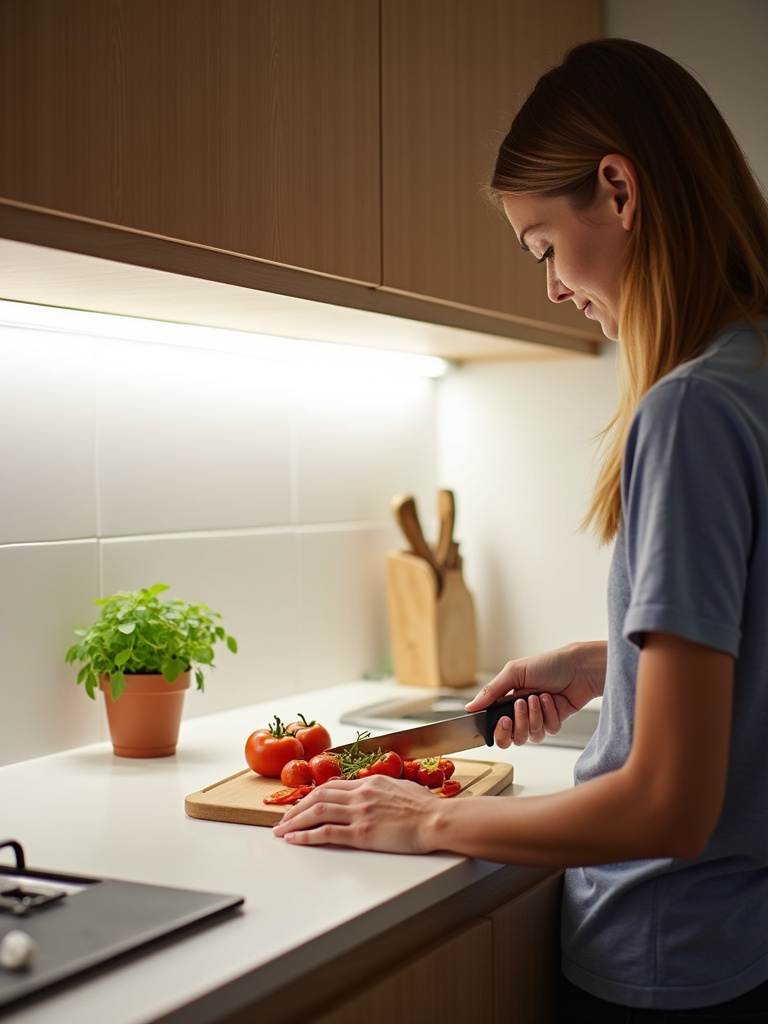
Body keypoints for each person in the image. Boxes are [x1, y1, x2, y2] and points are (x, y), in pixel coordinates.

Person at [273, 38, 768, 1019]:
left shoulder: (691, 408)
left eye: (544, 246)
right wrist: (608, 665)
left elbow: (669, 803)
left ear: (619, 190)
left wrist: (431, 822)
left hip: (664, 956)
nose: (549, 286)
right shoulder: (753, 374)